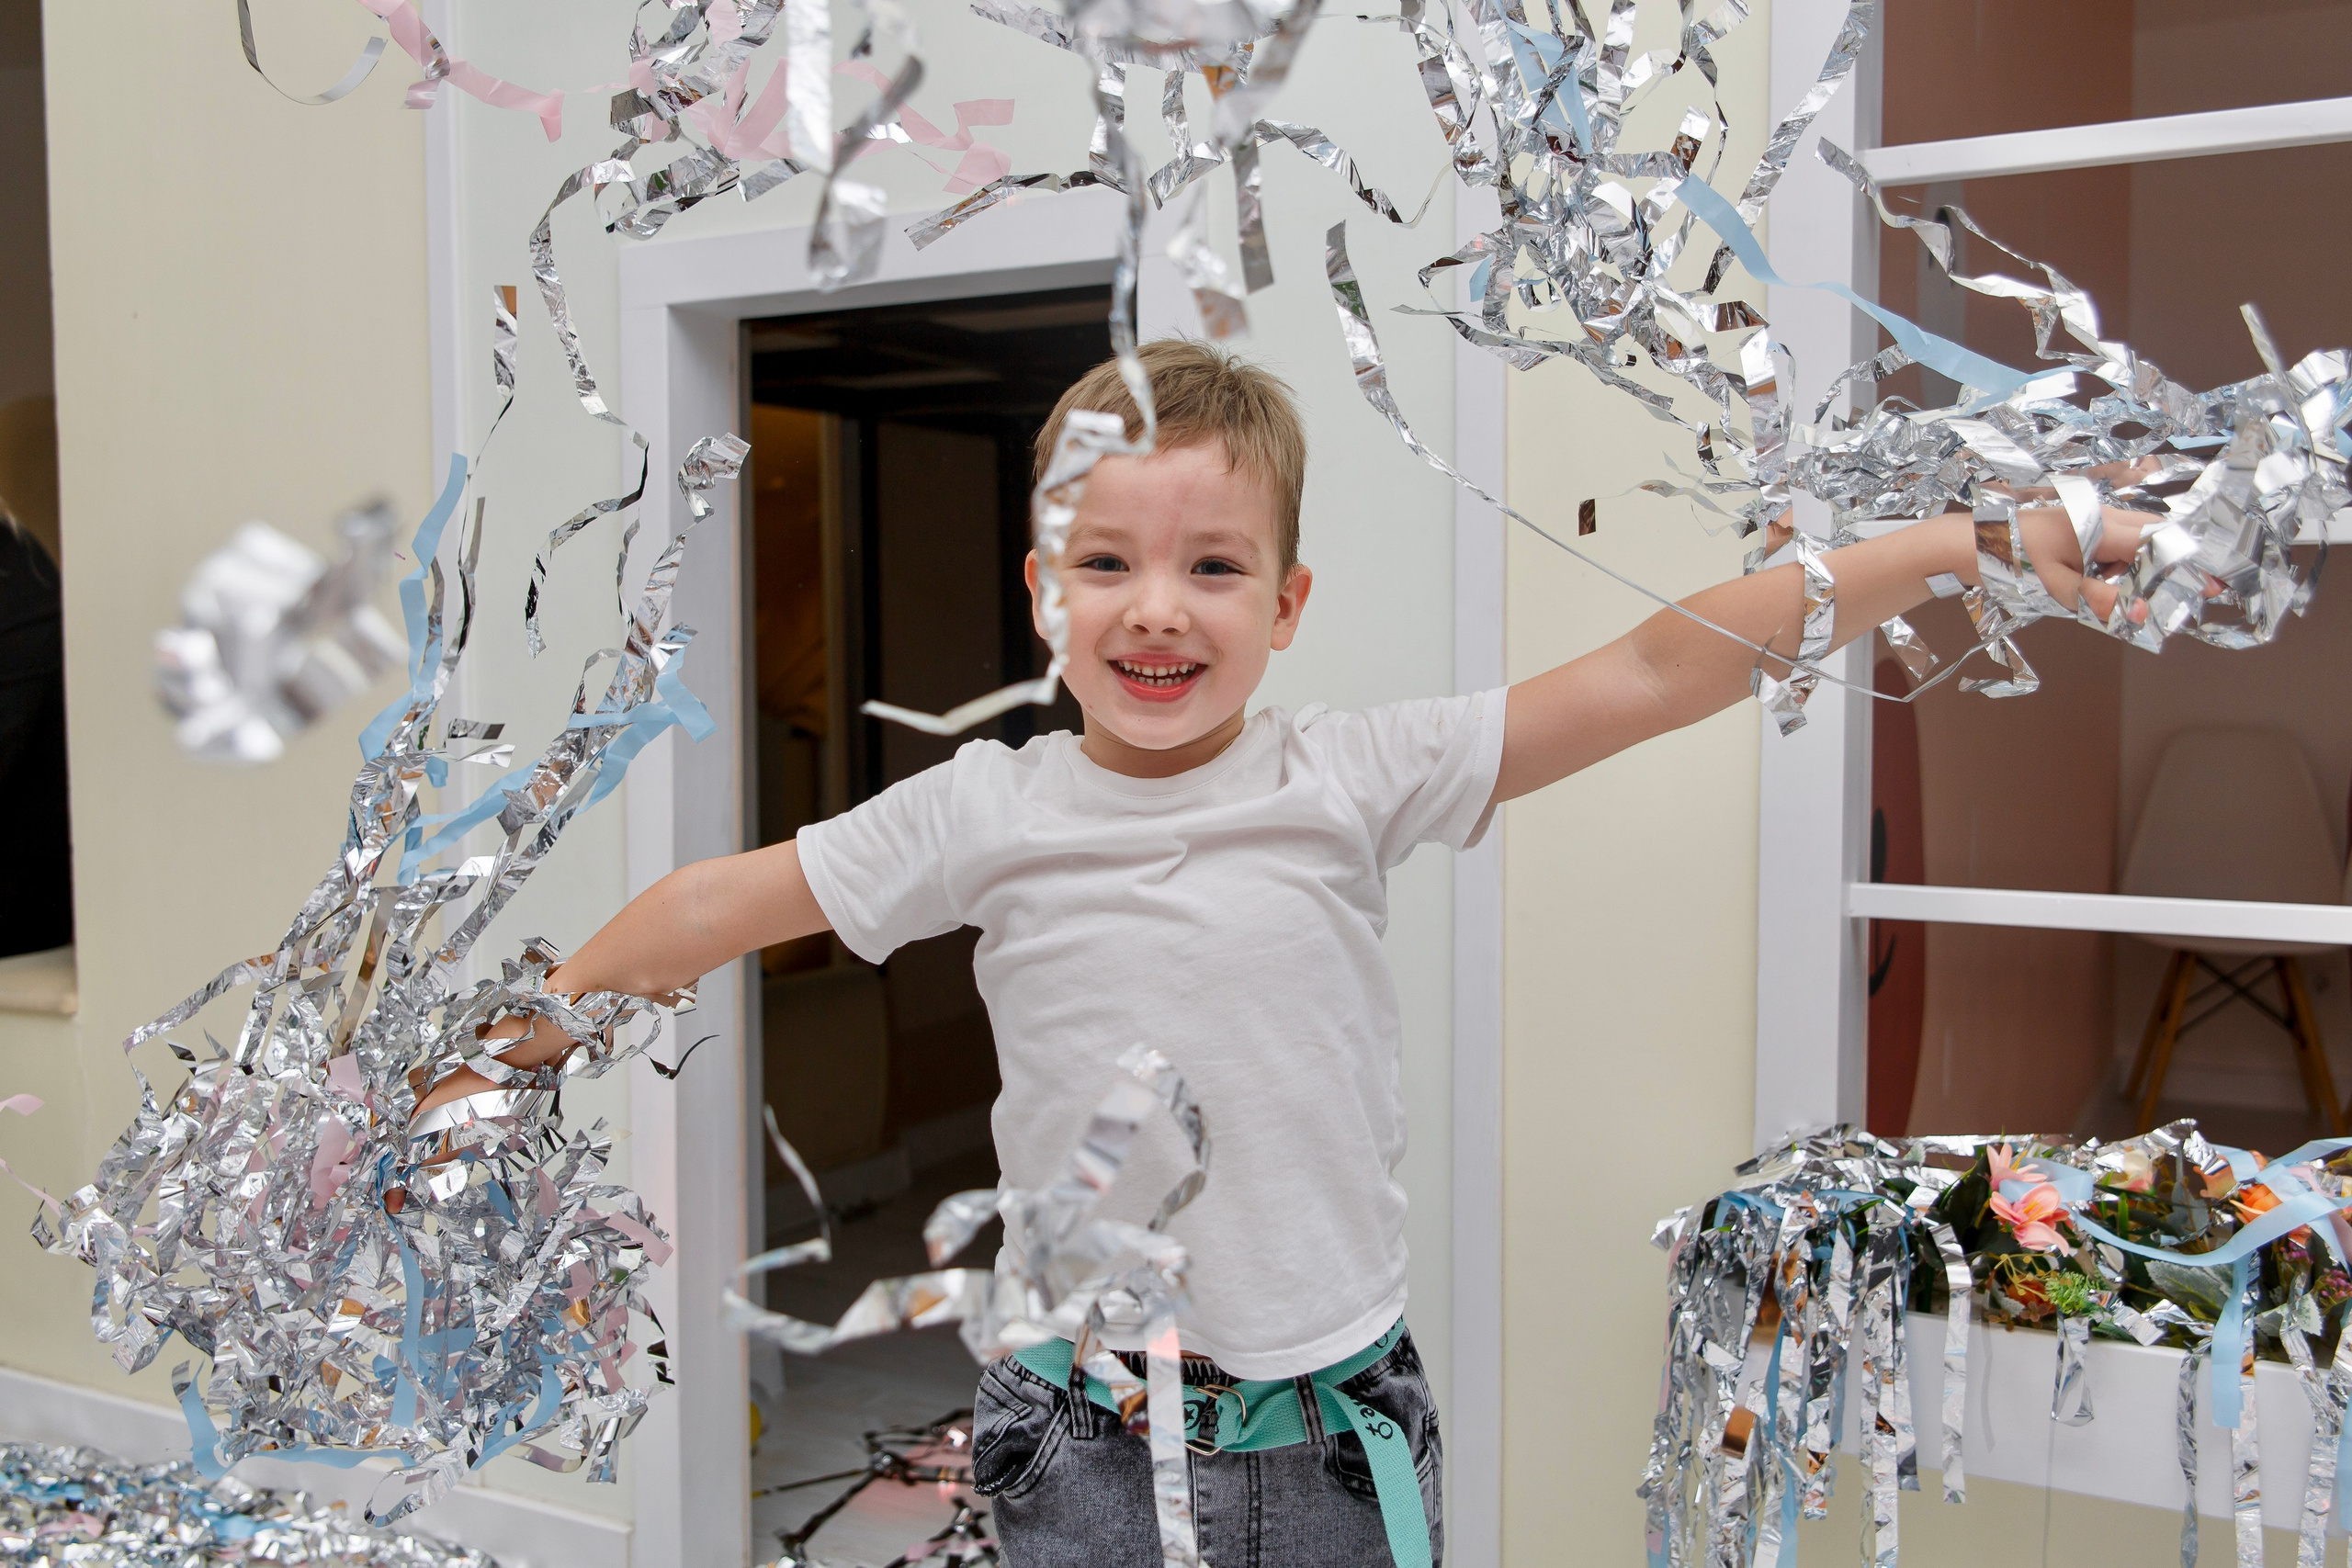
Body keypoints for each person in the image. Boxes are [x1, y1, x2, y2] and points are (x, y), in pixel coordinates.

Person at [413, 339, 2154, 1565]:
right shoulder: (984, 813)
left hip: (1333, 1439)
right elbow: (716, 904)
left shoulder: (1350, 775)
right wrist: (505, 1052)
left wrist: (1969, 545)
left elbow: (1649, 668)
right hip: (1081, 1441)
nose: (1155, 605)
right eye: (1108, 562)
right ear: (1043, 592)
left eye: (1213, 565)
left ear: (1288, 605)